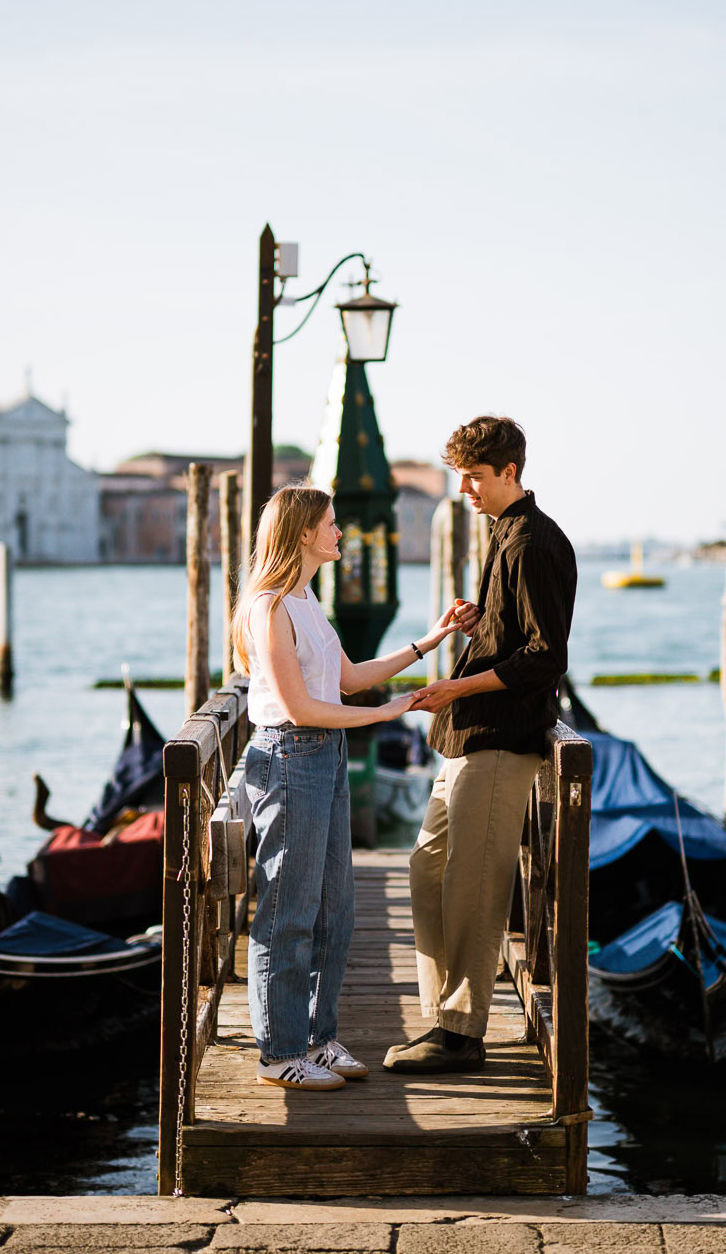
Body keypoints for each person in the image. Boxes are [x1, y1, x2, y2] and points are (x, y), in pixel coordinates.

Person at [235, 484, 465, 1091]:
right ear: (304, 533)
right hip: (290, 755)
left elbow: (348, 677)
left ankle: (318, 1038)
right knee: (289, 911)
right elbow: (302, 707)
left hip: (324, 756)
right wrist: (386, 715)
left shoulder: (308, 600)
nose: (341, 533)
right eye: (332, 525)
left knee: (336, 909)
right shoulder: (268, 607)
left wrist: (429, 643)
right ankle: (278, 1053)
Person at [390, 416, 577, 1073]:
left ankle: (463, 1035)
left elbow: (545, 657)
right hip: (471, 731)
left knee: (474, 883)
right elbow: (516, 633)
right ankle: (443, 1020)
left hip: (502, 736)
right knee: (428, 868)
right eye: (460, 474)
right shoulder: (504, 534)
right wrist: (478, 625)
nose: (463, 486)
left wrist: (452, 686)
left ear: (509, 473)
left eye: (473, 475)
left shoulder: (533, 542)